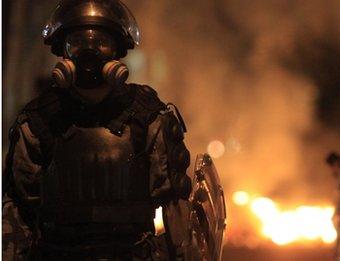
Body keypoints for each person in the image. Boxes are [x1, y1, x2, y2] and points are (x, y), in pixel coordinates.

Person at [2, 1, 217, 259]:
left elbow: (175, 211)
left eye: (101, 42)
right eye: (78, 42)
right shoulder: (38, 121)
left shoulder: (148, 117)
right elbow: (17, 214)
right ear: (63, 51)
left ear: (118, 50)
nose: (89, 52)